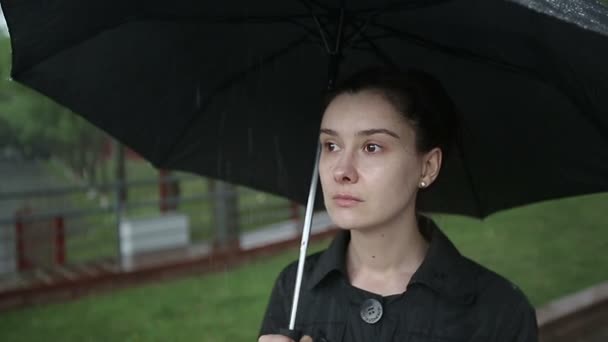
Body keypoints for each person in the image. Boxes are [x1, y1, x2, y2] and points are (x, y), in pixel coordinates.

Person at [258, 67, 538, 341]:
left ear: (427, 167)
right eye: (331, 145)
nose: (341, 171)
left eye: (371, 147)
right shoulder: (293, 289)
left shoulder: (498, 312)